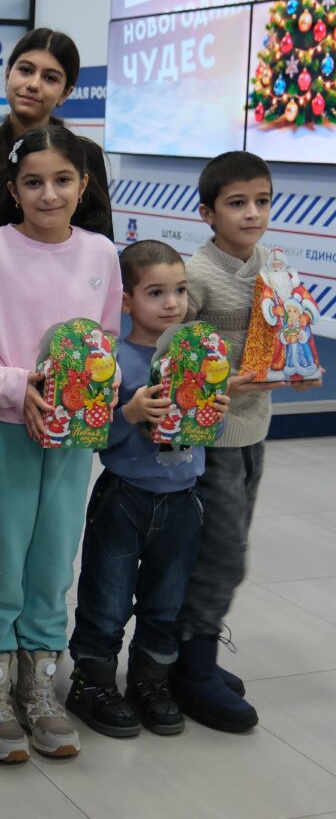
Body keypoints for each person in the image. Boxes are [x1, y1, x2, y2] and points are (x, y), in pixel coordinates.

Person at [0, 125, 122, 763]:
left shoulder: (101, 253)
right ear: (13, 188)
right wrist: (15, 385)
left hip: (75, 435)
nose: (48, 194)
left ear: (84, 185)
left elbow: (105, 339)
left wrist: (99, 387)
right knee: (0, 555)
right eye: (33, 182)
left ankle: (39, 684)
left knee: (54, 557)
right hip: (5, 428)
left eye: (62, 181)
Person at [170, 151, 322, 732]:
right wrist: (220, 383)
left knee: (230, 546)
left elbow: (282, 341)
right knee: (223, 552)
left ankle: (192, 653)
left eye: (262, 201)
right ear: (207, 213)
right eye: (237, 203)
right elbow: (174, 360)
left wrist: (296, 365)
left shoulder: (272, 268)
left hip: (255, 430)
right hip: (211, 439)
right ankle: (192, 667)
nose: (253, 213)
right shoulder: (197, 277)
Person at [66, 241, 230, 739]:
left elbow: (207, 434)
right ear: (126, 300)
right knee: (107, 596)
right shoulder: (113, 360)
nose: (172, 303)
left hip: (183, 499)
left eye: (179, 290)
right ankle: (93, 681)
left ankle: (150, 680)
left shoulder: (198, 357)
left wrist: (214, 413)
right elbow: (95, 437)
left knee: (167, 599)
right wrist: (129, 413)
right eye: (155, 292)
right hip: (124, 497)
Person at [0, 28, 113, 239]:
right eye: (25, 70)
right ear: (7, 74)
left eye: (50, 78)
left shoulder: (86, 154)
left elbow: (102, 241)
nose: (33, 84)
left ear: (65, 93)